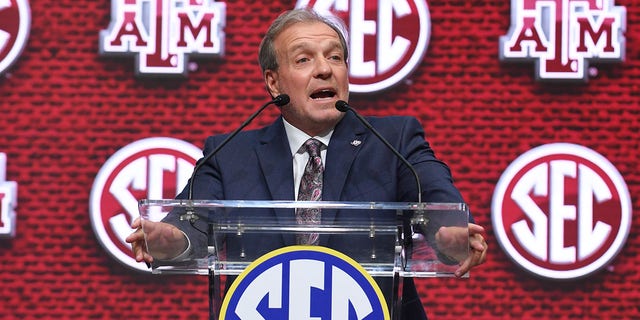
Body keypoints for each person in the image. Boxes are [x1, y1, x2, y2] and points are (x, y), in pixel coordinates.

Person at [127, 8, 487, 319]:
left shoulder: (394, 141)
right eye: (304, 60)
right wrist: (167, 240)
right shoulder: (230, 152)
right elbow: (190, 223)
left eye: (335, 58)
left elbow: (434, 196)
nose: (325, 70)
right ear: (273, 81)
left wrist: (450, 233)